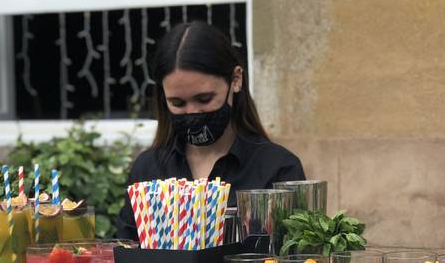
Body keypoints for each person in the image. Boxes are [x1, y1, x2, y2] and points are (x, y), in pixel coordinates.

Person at [117, 21, 305, 239]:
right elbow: (124, 254)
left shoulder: (278, 168)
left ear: (236, 80)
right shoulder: (148, 170)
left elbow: (299, 262)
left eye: (204, 99)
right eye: (177, 103)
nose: (192, 112)